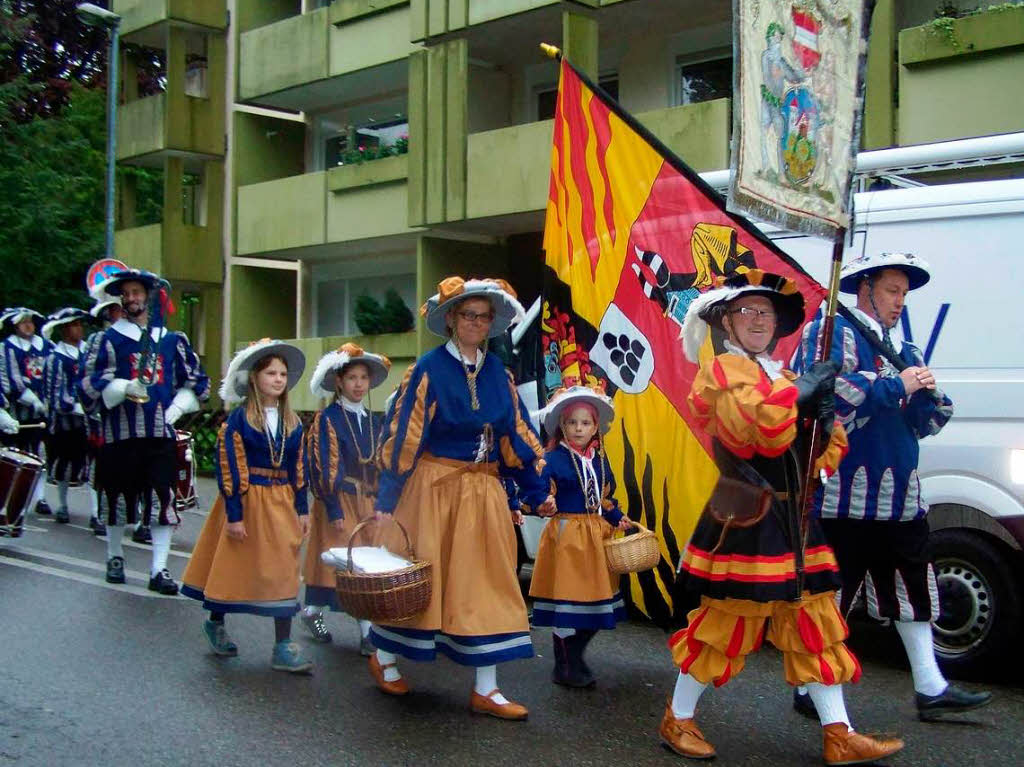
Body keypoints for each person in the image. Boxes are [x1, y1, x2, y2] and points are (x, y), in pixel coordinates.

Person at [659, 270, 903, 765]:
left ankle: (839, 733)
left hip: (795, 518)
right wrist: (799, 399)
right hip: (749, 517)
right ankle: (677, 718)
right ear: (726, 320)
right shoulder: (722, 374)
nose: (756, 319)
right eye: (746, 310)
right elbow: (757, 436)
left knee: (814, 621)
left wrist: (822, 421)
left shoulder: (784, 375)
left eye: (765, 312)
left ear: (777, 323)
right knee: (726, 625)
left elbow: (823, 455)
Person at [794, 252, 992, 721]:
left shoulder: (906, 347)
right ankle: (809, 683)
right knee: (831, 595)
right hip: (844, 495)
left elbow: (923, 422)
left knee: (914, 589)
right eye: (891, 291)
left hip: (901, 495)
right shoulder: (829, 331)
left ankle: (930, 685)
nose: (899, 302)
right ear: (865, 288)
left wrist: (925, 397)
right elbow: (828, 400)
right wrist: (895, 386)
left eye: (903, 293)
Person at [368, 276, 556, 720]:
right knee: (416, 583)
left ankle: (486, 689)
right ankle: (386, 657)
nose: (475, 322)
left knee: (487, 583)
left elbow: (518, 433)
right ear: (451, 319)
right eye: (468, 314)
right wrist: (386, 498)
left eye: (483, 316)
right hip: (433, 490)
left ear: (492, 324)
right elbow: (404, 437)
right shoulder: (427, 369)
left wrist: (535, 489)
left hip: (483, 493)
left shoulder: (498, 374)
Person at [181, 340, 313, 674]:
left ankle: (282, 645)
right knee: (233, 565)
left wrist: (302, 508)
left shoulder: (293, 423)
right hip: (248, 499)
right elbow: (229, 466)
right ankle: (216, 621)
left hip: (281, 501)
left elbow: (299, 467)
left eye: (283, 373)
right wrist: (235, 515)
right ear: (255, 378)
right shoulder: (240, 421)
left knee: (284, 568)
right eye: (271, 373)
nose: (278, 379)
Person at [79, 269, 208, 593]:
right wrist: (123, 386)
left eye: (137, 292)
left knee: (162, 501)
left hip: (158, 435)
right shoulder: (107, 340)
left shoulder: (171, 340)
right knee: (116, 499)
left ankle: (159, 569)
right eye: (127, 293)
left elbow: (197, 383)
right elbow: (88, 388)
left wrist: (175, 409)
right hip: (119, 436)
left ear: (148, 296)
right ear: (121, 298)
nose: (132, 298)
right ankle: (114, 556)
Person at [529, 383, 630, 687]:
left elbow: (605, 497)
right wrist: (542, 502)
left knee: (597, 605)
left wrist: (616, 516)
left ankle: (574, 652)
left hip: (596, 537)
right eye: (572, 422)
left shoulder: (599, 459)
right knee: (568, 604)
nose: (578, 428)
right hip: (568, 537)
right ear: (561, 425)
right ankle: (565, 665)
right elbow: (538, 490)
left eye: (585, 423)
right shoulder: (553, 459)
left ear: (595, 426)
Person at [301, 342, 390, 655]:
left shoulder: (373, 420)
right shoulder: (328, 419)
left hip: (367, 500)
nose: (358, 384)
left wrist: (382, 501)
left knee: (365, 565)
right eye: (352, 377)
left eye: (363, 378)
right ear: (339, 381)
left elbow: (380, 461)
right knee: (343, 563)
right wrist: (333, 506)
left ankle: (315, 612)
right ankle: (363, 631)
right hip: (339, 498)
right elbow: (321, 464)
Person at [41, 308, 92, 524]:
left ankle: (96, 513)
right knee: (63, 463)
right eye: (74, 325)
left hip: (88, 422)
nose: (79, 329)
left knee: (90, 463)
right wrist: (79, 407)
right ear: (64, 330)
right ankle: (62, 504)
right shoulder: (56, 359)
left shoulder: (88, 354)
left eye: (81, 325)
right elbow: (55, 396)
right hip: (65, 422)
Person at [1, 307, 54, 515]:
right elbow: (10, 382)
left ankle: (39, 498)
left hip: (40, 415)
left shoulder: (45, 346)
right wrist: (31, 399)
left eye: (30, 321)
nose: (28, 325)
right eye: (23, 321)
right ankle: (9, 501)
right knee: (13, 455)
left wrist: (48, 401)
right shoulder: (6, 348)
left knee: (38, 454)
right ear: (15, 325)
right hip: (16, 413)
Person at [80, 297, 123, 536]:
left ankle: (140, 522)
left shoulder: (144, 337)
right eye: (115, 310)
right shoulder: (99, 340)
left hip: (133, 416)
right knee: (101, 467)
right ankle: (98, 513)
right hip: (103, 416)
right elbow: (88, 378)